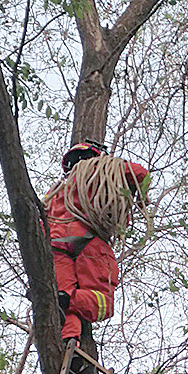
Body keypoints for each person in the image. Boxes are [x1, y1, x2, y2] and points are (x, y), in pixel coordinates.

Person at [45, 140, 150, 343]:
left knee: (62, 298)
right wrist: (141, 198)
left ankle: (70, 342)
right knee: (104, 301)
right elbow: (141, 174)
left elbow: (41, 221)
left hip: (56, 247)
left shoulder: (54, 192)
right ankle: (70, 303)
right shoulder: (100, 170)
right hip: (87, 241)